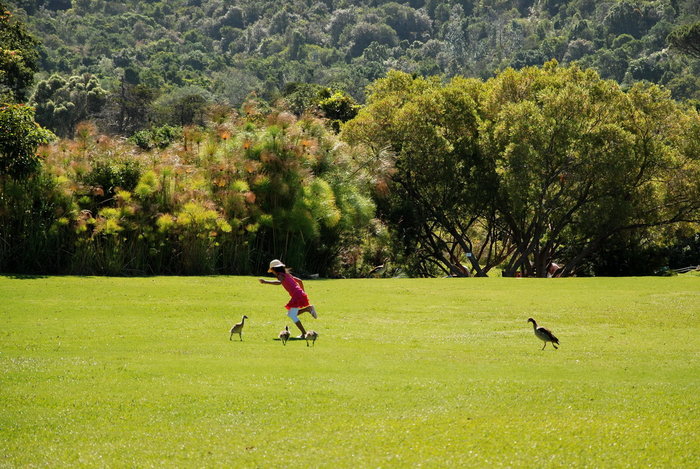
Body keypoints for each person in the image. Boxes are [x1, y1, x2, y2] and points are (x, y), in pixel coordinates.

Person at [259, 259, 318, 337]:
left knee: (292, 314)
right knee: (292, 314)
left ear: (274, 269)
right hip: (299, 293)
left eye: (272, 271)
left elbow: (279, 282)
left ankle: (308, 311)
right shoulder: (287, 274)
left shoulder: (280, 275)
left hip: (296, 294)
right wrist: (303, 293)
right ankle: (304, 331)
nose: (272, 272)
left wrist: (266, 282)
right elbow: (300, 281)